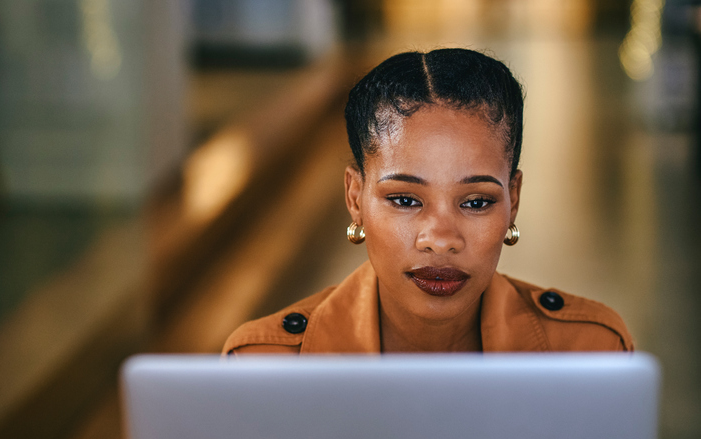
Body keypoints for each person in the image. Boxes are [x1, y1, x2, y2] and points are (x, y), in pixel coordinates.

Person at [222, 48, 633, 355]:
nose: (440, 239)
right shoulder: (267, 363)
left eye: (475, 202)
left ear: (514, 198)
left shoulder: (589, 349)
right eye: (404, 199)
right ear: (355, 198)